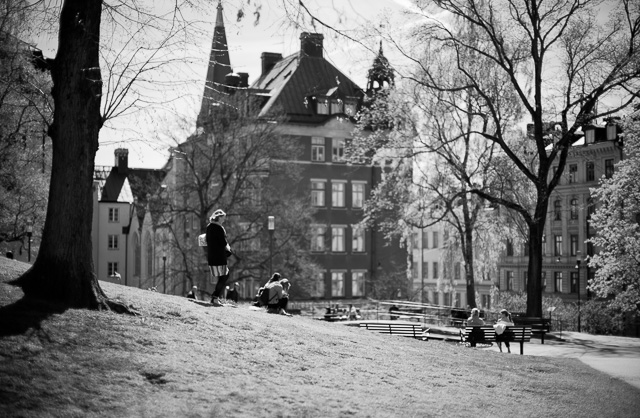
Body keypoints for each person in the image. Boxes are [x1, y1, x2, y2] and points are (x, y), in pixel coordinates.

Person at [206, 209, 232, 307]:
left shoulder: (209, 227)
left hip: (212, 255)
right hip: (219, 256)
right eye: (223, 218)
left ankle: (215, 296)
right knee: (225, 275)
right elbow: (223, 242)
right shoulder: (219, 228)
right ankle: (215, 297)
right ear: (219, 217)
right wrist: (228, 249)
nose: (224, 220)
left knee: (223, 276)